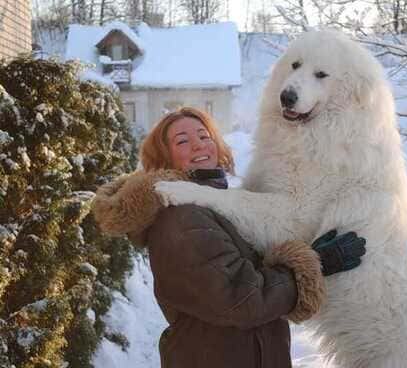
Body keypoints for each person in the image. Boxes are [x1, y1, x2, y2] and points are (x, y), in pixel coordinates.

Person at [92, 107, 366, 368]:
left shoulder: (211, 207)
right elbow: (242, 298)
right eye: (182, 141)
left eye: (203, 135)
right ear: (164, 159)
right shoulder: (182, 218)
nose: (199, 145)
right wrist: (315, 265)